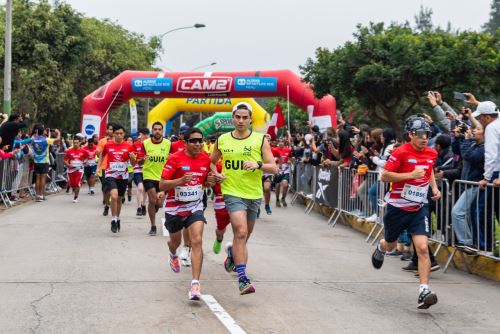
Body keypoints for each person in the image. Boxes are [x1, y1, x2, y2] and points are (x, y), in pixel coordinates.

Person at [371, 116, 441, 309]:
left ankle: (424, 291)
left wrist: (434, 188)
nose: (425, 138)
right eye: (420, 135)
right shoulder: (400, 152)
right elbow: (385, 176)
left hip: (419, 207)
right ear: (411, 134)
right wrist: (410, 175)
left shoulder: (431, 153)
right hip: (397, 207)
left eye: (427, 134)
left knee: (422, 248)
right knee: (391, 244)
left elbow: (429, 169)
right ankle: (381, 247)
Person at [210, 102, 277, 295]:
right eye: (237, 117)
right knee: (240, 232)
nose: (240, 121)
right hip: (232, 191)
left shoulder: (260, 140)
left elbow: (273, 167)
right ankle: (242, 278)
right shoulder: (222, 139)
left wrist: (257, 164)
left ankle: (232, 255)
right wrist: (217, 174)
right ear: (233, 118)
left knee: (244, 237)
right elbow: (212, 162)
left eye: (244, 117)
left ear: (250, 120)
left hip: (253, 194)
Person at [158, 128, 215, 300]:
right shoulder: (175, 158)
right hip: (174, 208)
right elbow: (161, 185)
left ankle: (195, 284)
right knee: (175, 241)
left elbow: (204, 182)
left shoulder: (206, 158)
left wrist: (210, 181)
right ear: (186, 142)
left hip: (195, 206)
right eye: (194, 141)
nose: (198, 144)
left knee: (196, 240)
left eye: (200, 141)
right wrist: (180, 181)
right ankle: (172, 253)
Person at [100, 124, 136, 233]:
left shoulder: (129, 146)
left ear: (124, 134)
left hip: (123, 176)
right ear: (113, 134)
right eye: (117, 133)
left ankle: (117, 218)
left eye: (121, 133)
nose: (119, 135)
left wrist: (133, 159)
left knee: (119, 199)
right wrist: (99, 167)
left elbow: (133, 164)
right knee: (114, 196)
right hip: (110, 174)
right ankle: (113, 219)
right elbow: (102, 155)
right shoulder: (108, 145)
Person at [141, 122, 171, 236]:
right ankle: (153, 226)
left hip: (163, 177)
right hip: (148, 175)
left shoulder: (168, 143)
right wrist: (142, 159)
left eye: (159, 129)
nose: (157, 131)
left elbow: (173, 159)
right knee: (152, 200)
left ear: (162, 131)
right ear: (152, 131)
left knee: (159, 203)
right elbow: (139, 161)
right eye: (155, 129)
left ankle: (154, 208)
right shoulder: (145, 143)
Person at [32, 126, 61, 202]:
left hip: (36, 162)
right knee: (43, 179)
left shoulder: (34, 140)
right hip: (44, 162)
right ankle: (41, 195)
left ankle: (37, 195)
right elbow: (57, 140)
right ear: (43, 132)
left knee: (37, 179)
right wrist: (58, 133)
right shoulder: (46, 140)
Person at [96, 123, 115, 216]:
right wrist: (98, 152)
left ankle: (111, 203)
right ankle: (107, 205)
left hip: (116, 168)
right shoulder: (103, 141)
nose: (110, 131)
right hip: (105, 167)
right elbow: (98, 154)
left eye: (112, 129)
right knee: (106, 189)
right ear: (107, 130)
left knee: (114, 189)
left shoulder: (119, 141)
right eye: (109, 129)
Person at [64, 137, 88, 203]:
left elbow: (86, 158)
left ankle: (76, 197)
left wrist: (84, 161)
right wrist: (68, 165)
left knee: (77, 183)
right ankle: (74, 190)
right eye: (74, 143)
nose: (75, 144)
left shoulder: (83, 151)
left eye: (77, 143)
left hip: (79, 170)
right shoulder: (69, 151)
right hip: (70, 170)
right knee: (72, 184)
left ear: (79, 143)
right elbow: (65, 160)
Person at [133, 128, 150, 216]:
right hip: (137, 169)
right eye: (144, 134)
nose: (146, 135)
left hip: (148, 170)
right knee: (140, 188)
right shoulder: (136, 144)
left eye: (147, 134)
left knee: (145, 190)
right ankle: (139, 208)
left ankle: (143, 204)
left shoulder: (151, 144)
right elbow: (132, 156)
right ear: (140, 134)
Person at [273, 136, 293, 208]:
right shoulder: (275, 150)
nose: (281, 143)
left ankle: (283, 198)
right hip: (278, 169)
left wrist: (290, 161)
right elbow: (271, 159)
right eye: (279, 142)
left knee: (285, 185)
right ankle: (277, 199)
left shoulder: (288, 150)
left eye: (282, 142)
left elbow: (291, 158)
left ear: (284, 143)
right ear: (278, 143)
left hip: (286, 170)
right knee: (277, 185)